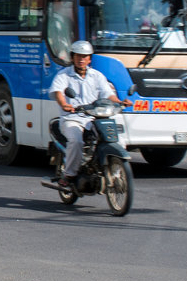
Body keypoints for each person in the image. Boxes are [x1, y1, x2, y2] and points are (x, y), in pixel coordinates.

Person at [49, 40, 131, 189]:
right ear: (72, 57)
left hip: (94, 117)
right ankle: (69, 175)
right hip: (72, 118)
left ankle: (114, 167)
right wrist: (65, 105)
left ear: (90, 59)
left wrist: (119, 101)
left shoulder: (97, 76)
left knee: (117, 136)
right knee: (76, 141)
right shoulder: (64, 75)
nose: (82, 59)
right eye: (78, 56)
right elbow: (58, 92)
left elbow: (107, 94)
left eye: (85, 56)